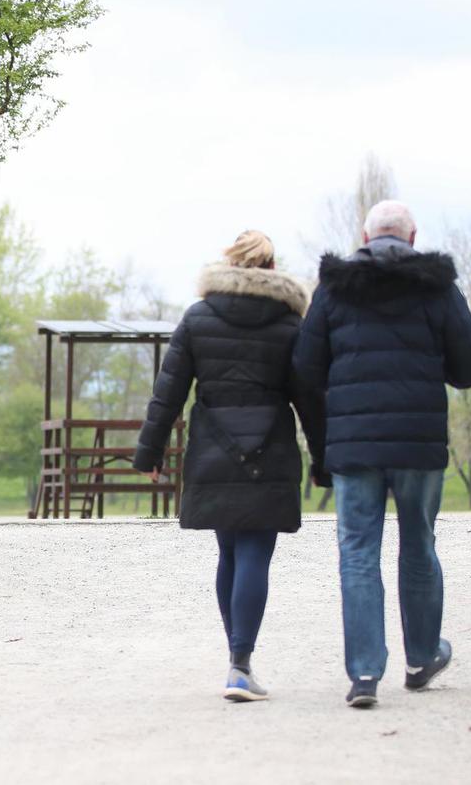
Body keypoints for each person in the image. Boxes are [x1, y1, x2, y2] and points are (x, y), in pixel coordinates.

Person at [293, 200, 471, 709]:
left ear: (364, 236)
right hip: (417, 443)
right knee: (418, 544)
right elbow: (470, 368)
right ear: (413, 237)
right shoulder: (437, 288)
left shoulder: (334, 288)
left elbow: (306, 368)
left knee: (358, 551)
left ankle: (364, 673)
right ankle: (421, 657)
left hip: (354, 443)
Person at [134, 230, 326, 703]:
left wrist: (150, 452)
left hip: (214, 448)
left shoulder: (198, 318)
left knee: (229, 553)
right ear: (271, 267)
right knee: (256, 553)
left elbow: (168, 392)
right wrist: (325, 460)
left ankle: (236, 662)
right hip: (269, 450)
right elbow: (310, 401)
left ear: (231, 263)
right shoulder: (290, 324)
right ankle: (241, 664)